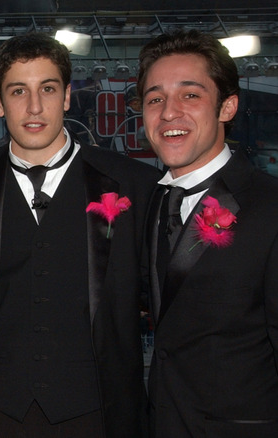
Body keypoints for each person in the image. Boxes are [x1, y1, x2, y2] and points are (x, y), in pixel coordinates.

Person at [0, 32, 160, 437]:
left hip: (98, 410)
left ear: (65, 96)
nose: (33, 106)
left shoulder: (133, 182)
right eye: (17, 91)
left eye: (47, 88)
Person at [139, 30, 278, 437]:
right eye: (155, 99)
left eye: (190, 95)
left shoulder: (270, 207)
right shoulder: (151, 202)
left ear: (227, 106)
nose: (168, 113)